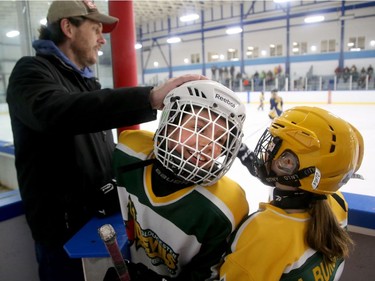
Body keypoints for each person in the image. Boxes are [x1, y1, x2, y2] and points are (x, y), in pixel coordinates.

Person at [6, 1, 206, 281]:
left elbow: (102, 151)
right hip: (63, 235)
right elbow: (57, 112)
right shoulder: (31, 73)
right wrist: (148, 98)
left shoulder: (86, 83)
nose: (102, 40)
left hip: (102, 221)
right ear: (68, 28)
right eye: (96, 29)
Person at [113, 80, 249, 280]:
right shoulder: (129, 150)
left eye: (221, 140)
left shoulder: (226, 206)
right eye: (198, 128)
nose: (208, 145)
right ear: (171, 123)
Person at [220, 106, 364, 281]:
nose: (266, 153)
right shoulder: (336, 202)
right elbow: (280, 175)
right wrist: (242, 151)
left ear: (288, 164)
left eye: (274, 147)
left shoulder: (262, 237)